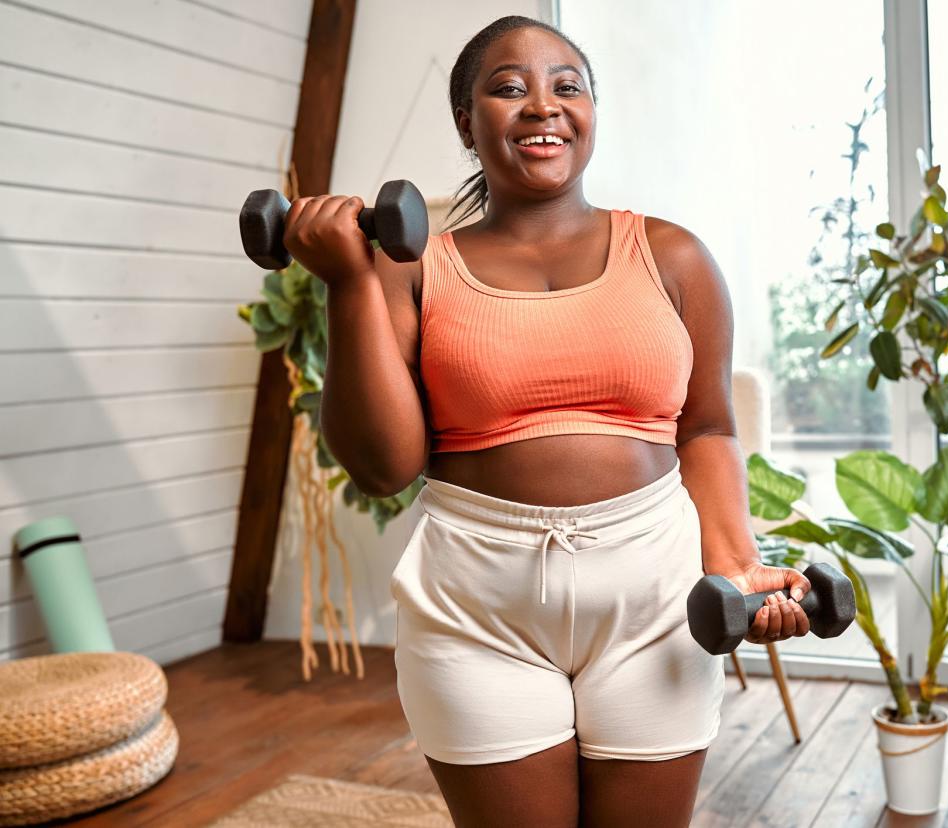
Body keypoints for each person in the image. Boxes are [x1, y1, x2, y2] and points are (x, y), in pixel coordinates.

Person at [282, 14, 813, 828]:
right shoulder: (410, 268)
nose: (542, 106)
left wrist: (737, 562)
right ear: (467, 121)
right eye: (508, 87)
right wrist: (348, 285)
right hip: (475, 600)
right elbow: (384, 468)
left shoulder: (673, 256)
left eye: (567, 86)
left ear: (592, 111)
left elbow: (706, 429)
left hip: (652, 594)